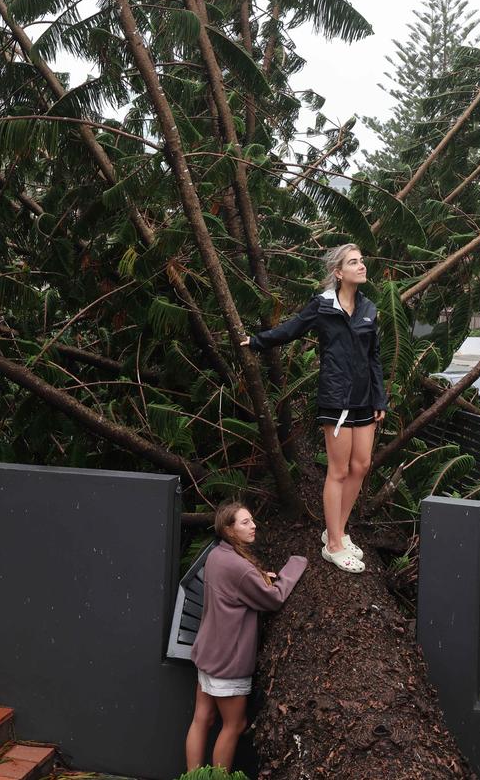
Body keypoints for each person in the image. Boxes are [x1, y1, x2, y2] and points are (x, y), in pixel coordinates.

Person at [241, 244, 387, 574]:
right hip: (336, 399)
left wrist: (380, 399)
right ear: (338, 272)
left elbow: (374, 358)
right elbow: (291, 329)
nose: (362, 266)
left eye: (362, 260)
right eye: (354, 262)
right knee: (338, 470)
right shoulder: (323, 306)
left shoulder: (369, 309)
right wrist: (258, 340)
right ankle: (333, 545)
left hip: (365, 399)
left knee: (361, 465)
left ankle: (336, 530)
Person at [186, 500, 307, 772]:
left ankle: (192, 777)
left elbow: (237, 584)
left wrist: (260, 576)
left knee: (201, 719)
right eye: (245, 522)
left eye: (252, 520)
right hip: (227, 661)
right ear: (229, 530)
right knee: (234, 725)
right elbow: (273, 599)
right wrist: (294, 566)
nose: (253, 526)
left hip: (208, 653)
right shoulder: (238, 567)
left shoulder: (217, 555)